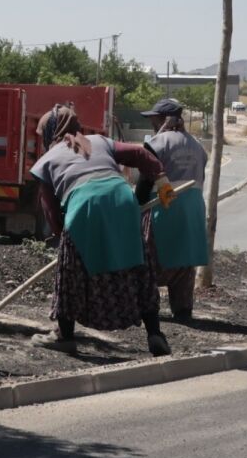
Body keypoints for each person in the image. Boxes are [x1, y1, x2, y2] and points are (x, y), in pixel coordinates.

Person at [28, 105, 172, 358]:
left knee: (70, 276)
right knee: (138, 266)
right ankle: (155, 334)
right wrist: (162, 181)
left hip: (84, 205)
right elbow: (140, 154)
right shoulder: (100, 141)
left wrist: (64, 239)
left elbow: (49, 208)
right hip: (122, 199)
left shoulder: (46, 161)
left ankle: (65, 336)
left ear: (50, 132)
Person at [139, 97, 209, 319]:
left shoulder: (156, 144)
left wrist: (135, 206)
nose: (152, 123)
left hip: (164, 208)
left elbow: (143, 187)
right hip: (193, 211)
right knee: (183, 262)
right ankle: (183, 309)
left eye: (154, 118)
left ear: (163, 119)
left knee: (148, 260)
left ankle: (147, 309)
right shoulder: (198, 147)